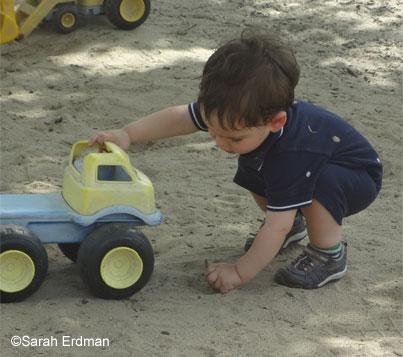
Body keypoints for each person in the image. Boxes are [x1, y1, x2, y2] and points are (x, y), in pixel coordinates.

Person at [90, 31, 382, 293]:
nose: (220, 143)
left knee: (316, 184)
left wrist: (239, 272)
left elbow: (273, 227)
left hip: (355, 176)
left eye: (233, 138)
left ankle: (328, 254)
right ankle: (297, 221)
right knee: (254, 167)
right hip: (303, 165)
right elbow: (180, 118)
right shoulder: (232, 110)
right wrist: (127, 134)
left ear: (275, 121)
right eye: (214, 132)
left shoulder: (292, 155)